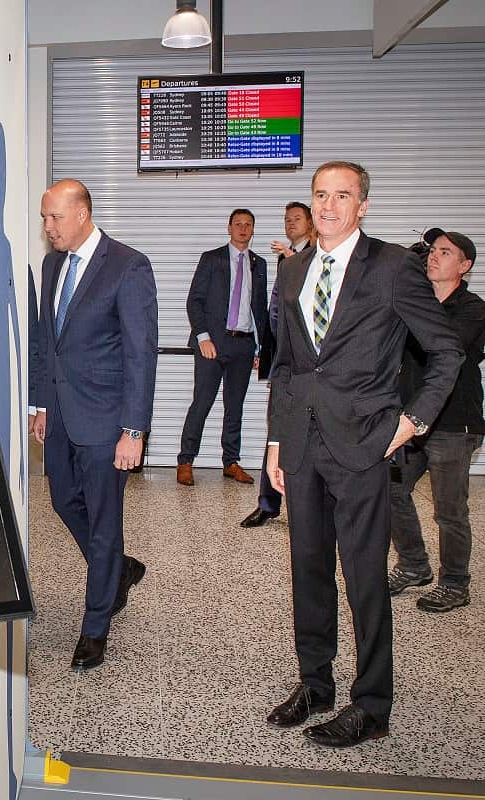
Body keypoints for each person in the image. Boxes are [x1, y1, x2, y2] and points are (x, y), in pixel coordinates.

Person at [265, 161, 462, 748]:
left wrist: (411, 423)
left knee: (365, 579)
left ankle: (372, 704)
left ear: (363, 205)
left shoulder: (395, 266)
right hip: (301, 445)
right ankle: (315, 682)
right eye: (319, 194)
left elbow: (446, 352)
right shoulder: (293, 268)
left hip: (364, 445)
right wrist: (275, 440)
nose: (327, 206)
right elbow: (287, 365)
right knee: (308, 571)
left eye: (341, 195)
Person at [31, 179, 157, 672]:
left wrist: (134, 429)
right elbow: (47, 341)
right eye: (45, 217)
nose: (47, 227)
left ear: (82, 213)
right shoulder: (51, 264)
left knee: (105, 524)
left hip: (107, 420)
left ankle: (96, 623)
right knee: (64, 499)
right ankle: (118, 572)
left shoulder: (128, 266)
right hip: (60, 414)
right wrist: (40, 403)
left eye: (54, 218)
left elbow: (139, 354)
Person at [388, 230, 484, 612]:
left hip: (453, 425)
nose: (433, 257)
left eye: (445, 252)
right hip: (411, 420)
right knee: (390, 492)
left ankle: (456, 583)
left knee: (449, 509)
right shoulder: (417, 302)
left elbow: (440, 348)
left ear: (464, 267)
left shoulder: (474, 308)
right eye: (431, 251)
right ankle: (414, 565)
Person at [177, 209, 267, 487]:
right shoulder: (212, 259)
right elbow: (195, 300)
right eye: (238, 224)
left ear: (253, 230)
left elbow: (260, 309)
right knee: (201, 403)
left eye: (248, 225)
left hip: (244, 344)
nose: (243, 228)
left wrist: (261, 348)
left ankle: (231, 462)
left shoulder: (258, 263)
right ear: (229, 228)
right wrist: (203, 337)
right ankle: (185, 461)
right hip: (212, 344)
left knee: (235, 407)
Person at [242, 202, 313, 528]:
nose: (290, 223)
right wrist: (266, 351)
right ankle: (269, 503)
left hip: (312, 369)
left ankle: (307, 507)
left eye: (296, 219)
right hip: (284, 366)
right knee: (277, 433)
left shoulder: (314, 258)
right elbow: (275, 317)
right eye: (287, 219)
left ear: (311, 223)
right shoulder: (288, 260)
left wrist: (295, 260)